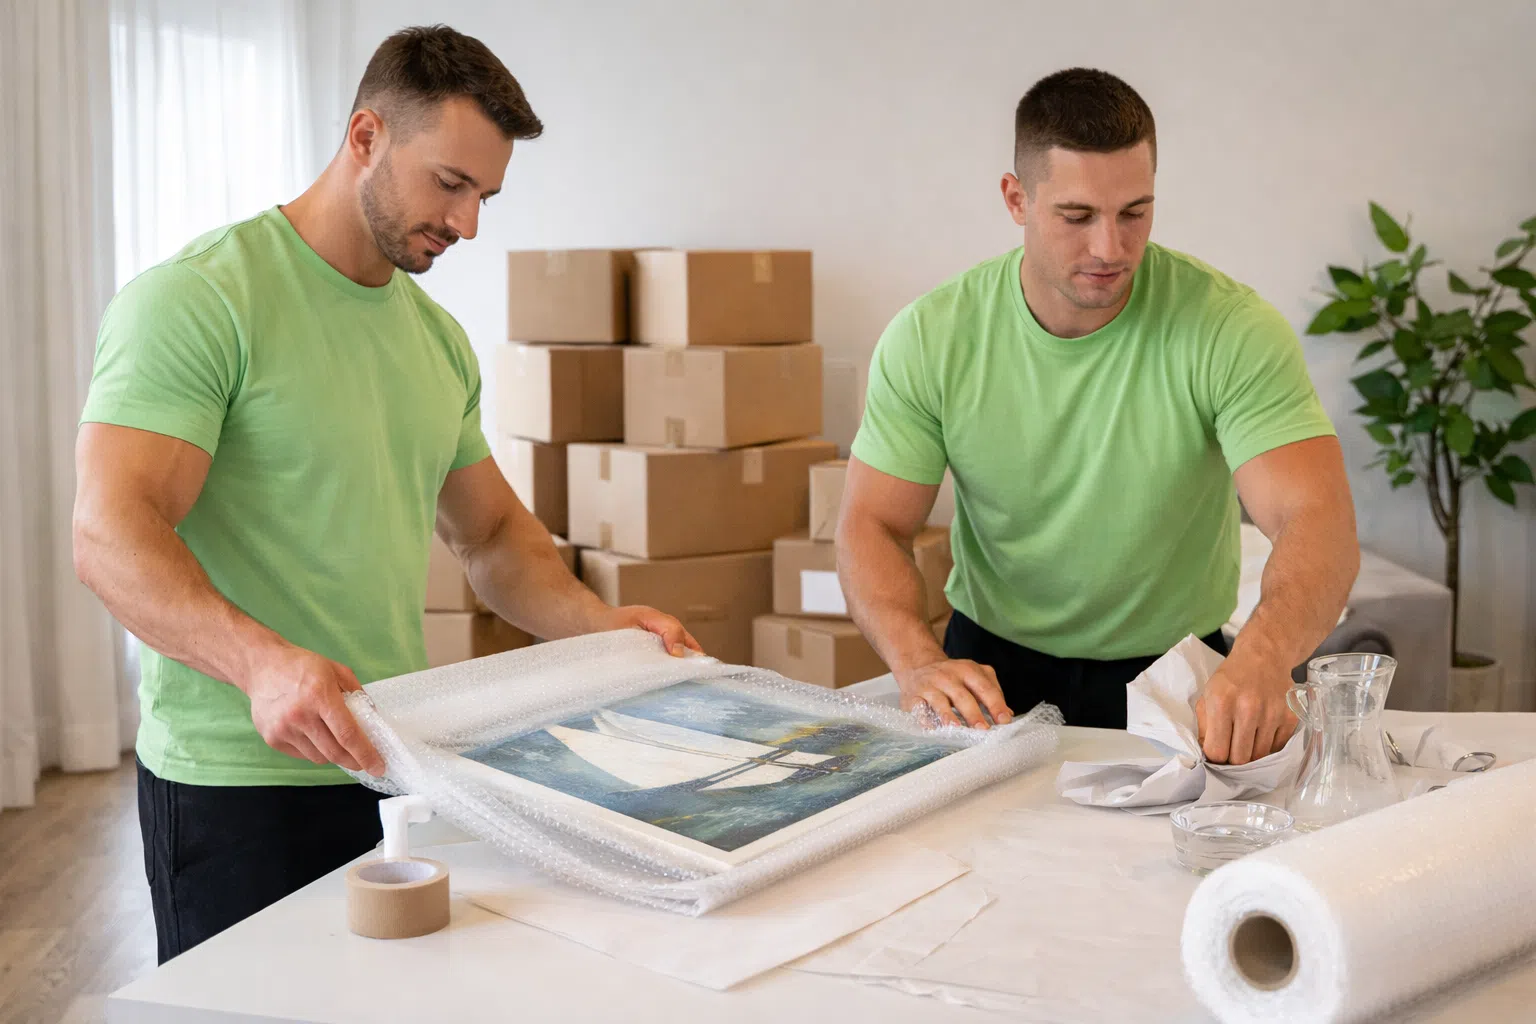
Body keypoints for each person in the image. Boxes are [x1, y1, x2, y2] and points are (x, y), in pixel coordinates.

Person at [73, 25, 700, 963]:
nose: (469, 223)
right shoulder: (201, 300)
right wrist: (262, 665)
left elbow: (491, 537)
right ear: (366, 135)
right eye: (451, 184)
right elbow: (109, 532)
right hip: (238, 784)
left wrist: (598, 625)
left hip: (394, 765)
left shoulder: (436, 340)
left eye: (485, 196)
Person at [838, 68, 1359, 766]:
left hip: (1179, 674)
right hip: (991, 670)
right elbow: (872, 522)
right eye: (1077, 217)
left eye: (1134, 213)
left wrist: (1265, 659)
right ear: (1016, 199)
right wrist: (915, 663)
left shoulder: (1229, 328)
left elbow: (1317, 520)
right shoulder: (932, 336)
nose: (1111, 249)